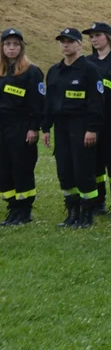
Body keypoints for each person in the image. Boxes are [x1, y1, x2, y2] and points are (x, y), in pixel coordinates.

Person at [43, 28, 104, 229]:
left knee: (83, 170)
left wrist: (92, 129)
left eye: (70, 41)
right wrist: (45, 128)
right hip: (61, 126)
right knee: (65, 171)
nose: (66, 45)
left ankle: (87, 214)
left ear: (80, 44)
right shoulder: (54, 71)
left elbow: (96, 101)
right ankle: (72, 213)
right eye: (62, 41)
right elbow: (49, 102)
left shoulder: (89, 69)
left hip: (81, 125)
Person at [0, 28, 44, 227]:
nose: (11, 48)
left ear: (21, 47)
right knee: (4, 169)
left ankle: (24, 210)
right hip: (2, 126)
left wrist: (34, 127)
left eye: (15, 44)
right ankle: (12, 208)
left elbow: (38, 103)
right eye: (7, 44)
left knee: (22, 168)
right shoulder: (1, 71)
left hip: (21, 126)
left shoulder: (31, 72)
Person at [84, 22, 111, 217]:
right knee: (95, 163)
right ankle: (98, 202)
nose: (94, 39)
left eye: (98, 35)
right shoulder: (88, 61)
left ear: (108, 37)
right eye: (91, 36)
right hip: (94, 121)